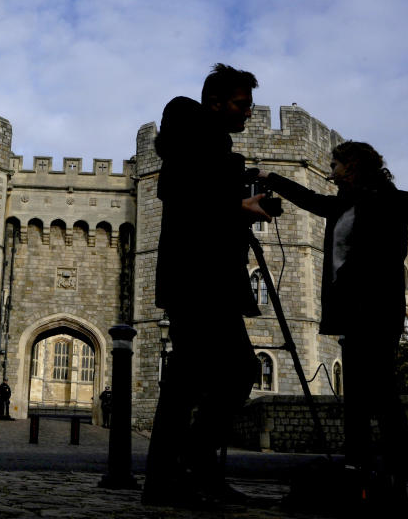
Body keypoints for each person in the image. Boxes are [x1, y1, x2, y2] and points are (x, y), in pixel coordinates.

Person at [143, 64, 272, 507]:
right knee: (208, 375)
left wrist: (239, 189)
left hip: (207, 278)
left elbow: (199, 191)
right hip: (199, 279)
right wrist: (238, 206)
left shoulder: (209, 143)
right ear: (215, 102)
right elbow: (178, 192)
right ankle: (177, 473)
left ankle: (186, 470)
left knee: (215, 373)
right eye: (242, 103)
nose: (249, 112)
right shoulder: (192, 130)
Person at [258, 142, 408, 513]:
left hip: (375, 313)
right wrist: (271, 178)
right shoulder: (344, 203)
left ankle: (396, 480)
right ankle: (356, 471)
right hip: (354, 315)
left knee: (385, 396)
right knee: (357, 400)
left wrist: (351, 282)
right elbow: (312, 200)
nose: (331, 170)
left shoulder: (388, 202)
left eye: (336, 164)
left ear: (354, 165)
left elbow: (387, 259)